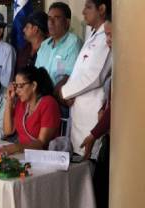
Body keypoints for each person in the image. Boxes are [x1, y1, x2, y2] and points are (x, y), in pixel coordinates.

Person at [60, 0, 112, 160]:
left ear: (102, 9)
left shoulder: (107, 36)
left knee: (89, 168)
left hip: (91, 115)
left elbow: (95, 76)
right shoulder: (94, 34)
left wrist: (64, 92)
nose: (83, 12)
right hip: (79, 112)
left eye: (88, 7)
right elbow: (79, 73)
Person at [0, 66, 60, 155]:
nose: (17, 91)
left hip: (43, 157)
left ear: (34, 85)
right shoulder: (21, 103)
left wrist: (16, 147)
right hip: (22, 154)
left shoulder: (48, 103)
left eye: (21, 86)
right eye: (16, 86)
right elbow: (8, 131)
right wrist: (9, 101)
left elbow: (42, 143)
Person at [35, 2, 82, 86]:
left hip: (59, 96)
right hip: (41, 95)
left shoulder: (73, 42)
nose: (51, 22)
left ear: (67, 22)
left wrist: (51, 94)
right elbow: (36, 72)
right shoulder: (44, 45)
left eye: (56, 18)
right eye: (49, 18)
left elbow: (70, 76)